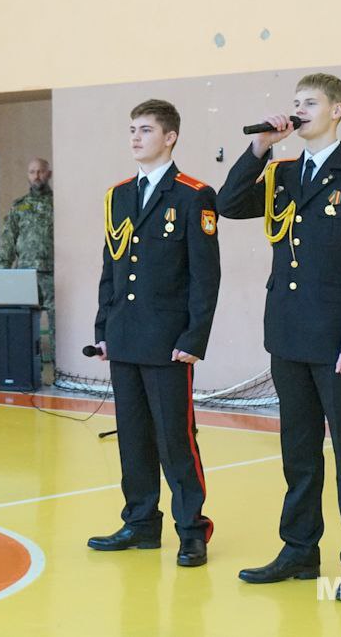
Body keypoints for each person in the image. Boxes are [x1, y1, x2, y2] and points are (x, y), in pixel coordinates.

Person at [218, 73, 341, 601]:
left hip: (337, 341)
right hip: (288, 334)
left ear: (336, 110)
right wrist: (260, 148)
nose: (299, 110)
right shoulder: (283, 172)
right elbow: (228, 203)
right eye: (295, 102)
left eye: (310, 103)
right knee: (298, 452)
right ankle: (299, 550)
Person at [88, 99, 220, 568]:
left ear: (170, 137)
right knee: (133, 437)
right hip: (125, 335)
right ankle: (141, 522)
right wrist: (103, 329)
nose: (135, 138)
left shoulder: (193, 195)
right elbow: (112, 266)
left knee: (175, 439)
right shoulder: (119, 195)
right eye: (132, 129)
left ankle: (191, 530)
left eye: (145, 130)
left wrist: (194, 338)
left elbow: (205, 277)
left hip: (168, 342)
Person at [0, 157, 55, 374]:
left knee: (58, 327)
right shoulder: (19, 206)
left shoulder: (57, 203)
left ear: (48, 174)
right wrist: (2, 273)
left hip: (53, 274)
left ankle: (60, 373)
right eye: (32, 172)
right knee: (24, 327)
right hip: (24, 275)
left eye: (40, 171)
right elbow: (8, 240)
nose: (36, 176)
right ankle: (28, 374)